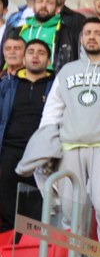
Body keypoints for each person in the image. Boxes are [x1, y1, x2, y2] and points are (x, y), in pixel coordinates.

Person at [38, 18, 100, 247]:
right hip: (69, 145)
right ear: (81, 39)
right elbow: (52, 110)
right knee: (70, 208)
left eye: (97, 33)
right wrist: (47, 143)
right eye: (87, 33)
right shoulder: (67, 71)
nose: (92, 37)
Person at [0, 39, 53, 233]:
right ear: (24, 58)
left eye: (41, 52)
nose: (35, 56)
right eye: (31, 52)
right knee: (5, 200)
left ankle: (30, 244)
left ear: (49, 61)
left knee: (34, 204)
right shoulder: (8, 84)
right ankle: (6, 242)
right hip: (9, 149)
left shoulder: (55, 85)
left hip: (40, 152)